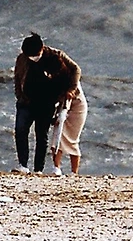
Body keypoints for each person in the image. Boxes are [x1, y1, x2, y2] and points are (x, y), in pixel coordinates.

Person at [12, 32, 81, 174]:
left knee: (41, 135)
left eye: (35, 55)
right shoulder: (23, 58)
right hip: (26, 100)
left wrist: (71, 89)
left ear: (42, 48)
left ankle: (38, 169)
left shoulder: (56, 56)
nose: (33, 58)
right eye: (29, 56)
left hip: (47, 102)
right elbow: (17, 78)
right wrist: (20, 96)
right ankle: (23, 165)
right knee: (20, 130)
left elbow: (76, 69)